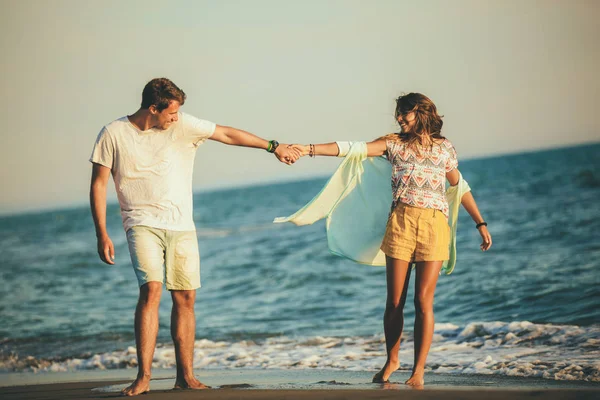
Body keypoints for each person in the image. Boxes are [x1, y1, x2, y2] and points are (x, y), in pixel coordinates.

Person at [89, 77, 300, 396]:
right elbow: (99, 184)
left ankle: (185, 375)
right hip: (141, 222)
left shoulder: (183, 125)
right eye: (171, 113)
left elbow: (227, 133)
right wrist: (102, 232)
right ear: (153, 108)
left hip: (182, 225)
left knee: (185, 298)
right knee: (152, 289)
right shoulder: (113, 134)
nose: (176, 118)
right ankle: (144, 376)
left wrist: (273, 146)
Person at [290, 93, 492, 386]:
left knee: (424, 301)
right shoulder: (393, 144)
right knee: (394, 302)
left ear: (420, 112)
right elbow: (351, 148)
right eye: (398, 114)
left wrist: (480, 223)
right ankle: (392, 359)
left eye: (404, 114)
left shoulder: (444, 148)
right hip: (401, 224)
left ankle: (418, 371)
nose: (399, 118)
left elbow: (460, 186)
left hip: (435, 226)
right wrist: (308, 149)